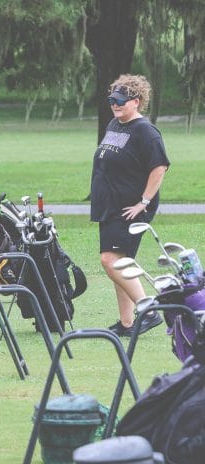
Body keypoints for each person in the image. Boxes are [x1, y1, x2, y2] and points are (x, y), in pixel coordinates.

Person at [90, 74, 170, 337]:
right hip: (110, 206)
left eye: (121, 100)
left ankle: (148, 311)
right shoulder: (114, 124)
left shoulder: (145, 131)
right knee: (121, 263)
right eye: (112, 99)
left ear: (136, 102)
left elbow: (159, 166)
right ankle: (127, 323)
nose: (115, 104)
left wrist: (143, 202)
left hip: (130, 208)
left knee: (110, 261)